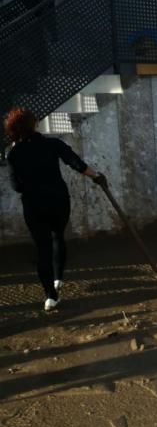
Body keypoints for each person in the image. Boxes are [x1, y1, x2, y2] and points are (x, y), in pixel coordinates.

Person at [4, 107, 105, 311]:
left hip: (33, 204)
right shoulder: (52, 144)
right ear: (34, 124)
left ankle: (51, 295)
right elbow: (76, 163)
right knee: (58, 236)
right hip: (59, 199)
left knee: (42, 247)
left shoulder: (13, 154)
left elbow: (16, 186)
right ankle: (58, 278)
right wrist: (97, 177)